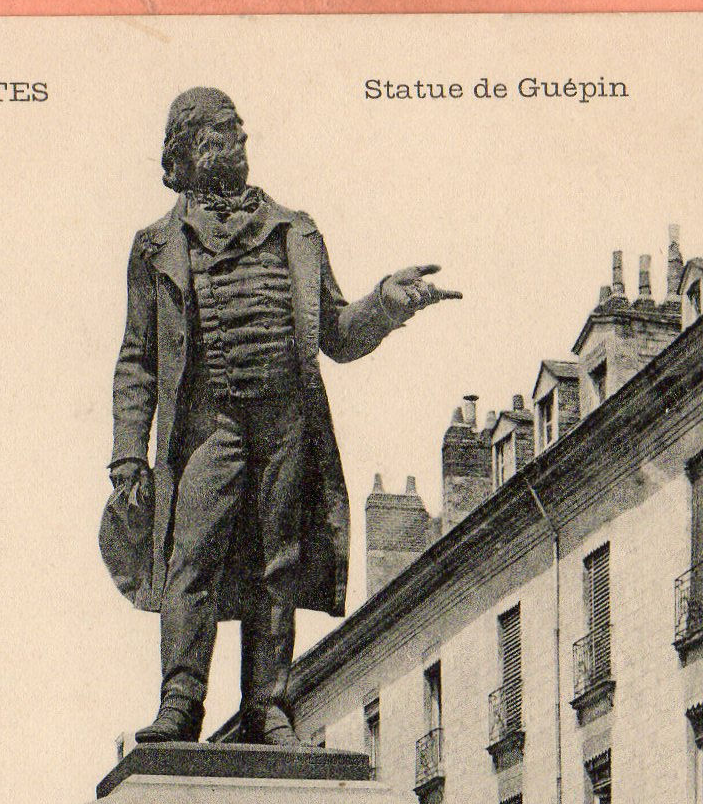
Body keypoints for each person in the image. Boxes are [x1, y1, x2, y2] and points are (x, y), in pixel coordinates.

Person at [104, 86, 461, 747]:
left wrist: (385, 304)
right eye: (220, 130)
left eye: (237, 128)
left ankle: (267, 706)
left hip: (285, 424)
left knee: (279, 562)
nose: (237, 139)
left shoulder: (294, 231)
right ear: (187, 149)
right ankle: (180, 701)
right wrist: (128, 454)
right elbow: (138, 358)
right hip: (207, 428)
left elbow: (337, 334)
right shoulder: (155, 245)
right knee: (190, 560)